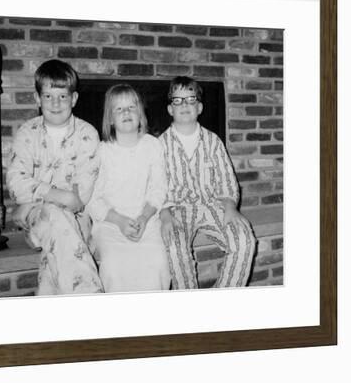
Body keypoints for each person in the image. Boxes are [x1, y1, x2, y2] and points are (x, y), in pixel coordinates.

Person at [6, 59, 104, 296]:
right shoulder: (27, 132)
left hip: (76, 220)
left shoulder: (87, 134)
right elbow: (15, 183)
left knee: (55, 255)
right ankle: (89, 295)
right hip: (37, 218)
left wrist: (29, 201)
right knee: (54, 215)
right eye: (48, 96)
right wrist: (56, 194)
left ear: (74, 99)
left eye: (62, 96)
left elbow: (80, 199)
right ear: (37, 99)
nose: (56, 103)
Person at [158, 76, 257, 289]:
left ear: (199, 107)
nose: (184, 105)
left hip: (213, 204)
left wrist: (230, 207)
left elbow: (226, 178)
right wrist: (164, 214)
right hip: (177, 209)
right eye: (178, 100)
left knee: (244, 240)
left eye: (191, 99)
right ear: (169, 109)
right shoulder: (160, 145)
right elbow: (154, 185)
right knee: (174, 248)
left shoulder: (213, 141)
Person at [86, 84, 170, 292]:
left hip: (147, 220)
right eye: (119, 109)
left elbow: (158, 189)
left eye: (131, 107)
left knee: (158, 262)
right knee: (114, 266)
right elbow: (93, 199)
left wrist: (144, 217)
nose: (126, 112)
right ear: (110, 119)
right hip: (111, 223)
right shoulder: (102, 151)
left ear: (140, 114)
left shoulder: (153, 145)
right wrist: (120, 221)